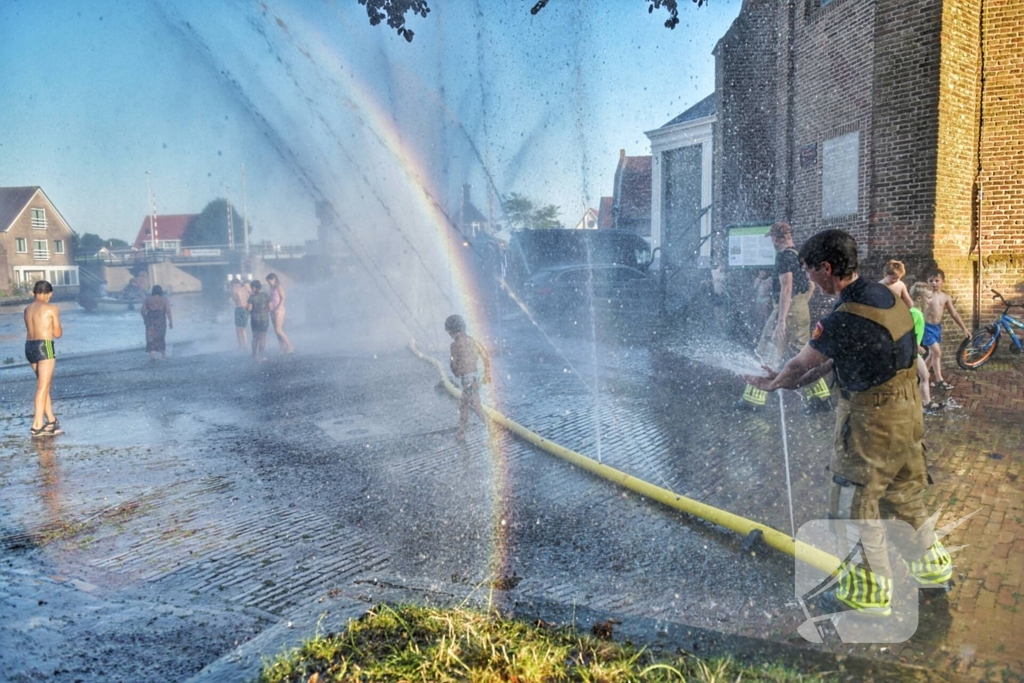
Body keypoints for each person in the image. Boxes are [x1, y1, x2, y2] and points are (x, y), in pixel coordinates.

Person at [745, 229, 952, 617]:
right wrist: (795, 381)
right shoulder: (888, 298)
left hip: (871, 423)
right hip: (908, 417)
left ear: (827, 269)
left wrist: (775, 383)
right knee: (904, 495)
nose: (809, 280)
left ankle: (867, 593)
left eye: (810, 272)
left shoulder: (841, 318)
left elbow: (799, 364)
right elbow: (835, 360)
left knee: (852, 506)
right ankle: (933, 569)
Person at [736, 221, 831, 413]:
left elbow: (786, 288)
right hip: (800, 308)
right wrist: (800, 305)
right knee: (803, 355)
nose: (771, 241)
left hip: (787, 309)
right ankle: (820, 398)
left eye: (771, 237)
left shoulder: (783, 258)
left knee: (767, 350)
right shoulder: (799, 256)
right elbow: (811, 285)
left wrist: (781, 320)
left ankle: (753, 400)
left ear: (778, 238)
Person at [24, 280, 63, 438]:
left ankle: (51, 420)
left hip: (29, 347)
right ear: (50, 293)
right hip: (44, 345)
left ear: (34, 293)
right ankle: (37, 424)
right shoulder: (51, 308)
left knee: (43, 385)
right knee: (43, 387)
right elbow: (58, 333)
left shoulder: (27, 309)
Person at [922, 268, 970, 392]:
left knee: (932, 354)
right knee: (937, 353)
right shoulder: (925, 295)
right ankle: (939, 380)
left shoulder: (945, 297)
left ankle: (922, 375)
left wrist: (964, 328)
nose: (933, 283)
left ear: (943, 281)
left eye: (937, 280)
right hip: (926, 327)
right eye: (930, 281)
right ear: (927, 282)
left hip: (936, 328)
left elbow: (954, 313)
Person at [445, 314, 492, 440]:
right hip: (475, 377)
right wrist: (487, 373)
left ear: (451, 332)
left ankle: (491, 430)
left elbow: (454, 364)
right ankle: (461, 432)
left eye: (450, 333)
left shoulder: (454, 345)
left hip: (467, 379)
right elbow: (485, 355)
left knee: (475, 405)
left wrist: (455, 370)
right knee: (464, 404)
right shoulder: (472, 341)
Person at [910, 282, 940, 412]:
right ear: (919, 298)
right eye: (928, 297)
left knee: (925, 375)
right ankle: (924, 403)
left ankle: (925, 402)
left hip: (913, 351)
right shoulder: (914, 313)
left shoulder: (917, 312)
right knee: (923, 375)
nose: (930, 300)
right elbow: (906, 331)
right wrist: (916, 346)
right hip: (911, 352)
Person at [141, 285, 173, 360]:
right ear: (160, 291)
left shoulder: (147, 299)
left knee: (150, 338)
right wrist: (170, 322)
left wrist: (145, 318)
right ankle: (164, 355)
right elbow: (168, 311)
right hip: (160, 319)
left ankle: (152, 356)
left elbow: (142, 311)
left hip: (150, 319)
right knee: (161, 337)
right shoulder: (164, 300)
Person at [266, 273, 294, 354]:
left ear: (274, 279)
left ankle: (290, 346)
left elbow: (283, 298)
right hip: (273, 310)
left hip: (279, 310)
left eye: (269, 281)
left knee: (279, 329)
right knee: (276, 330)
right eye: (268, 281)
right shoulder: (272, 287)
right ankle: (282, 348)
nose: (269, 282)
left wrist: (278, 307)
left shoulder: (279, 286)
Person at [248, 280, 271, 363]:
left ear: (255, 288)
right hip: (264, 318)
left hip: (254, 318)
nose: (251, 289)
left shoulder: (252, 297)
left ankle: (254, 356)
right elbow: (270, 308)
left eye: (252, 287)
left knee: (255, 338)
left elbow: (249, 308)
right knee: (262, 338)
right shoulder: (266, 296)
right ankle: (261, 356)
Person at [231, 277, 251, 351]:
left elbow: (235, 298)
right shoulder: (245, 289)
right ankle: (246, 345)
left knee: (238, 328)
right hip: (246, 309)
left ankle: (240, 345)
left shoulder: (234, 289)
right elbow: (249, 298)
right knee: (244, 328)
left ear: (233, 284)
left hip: (239, 309)